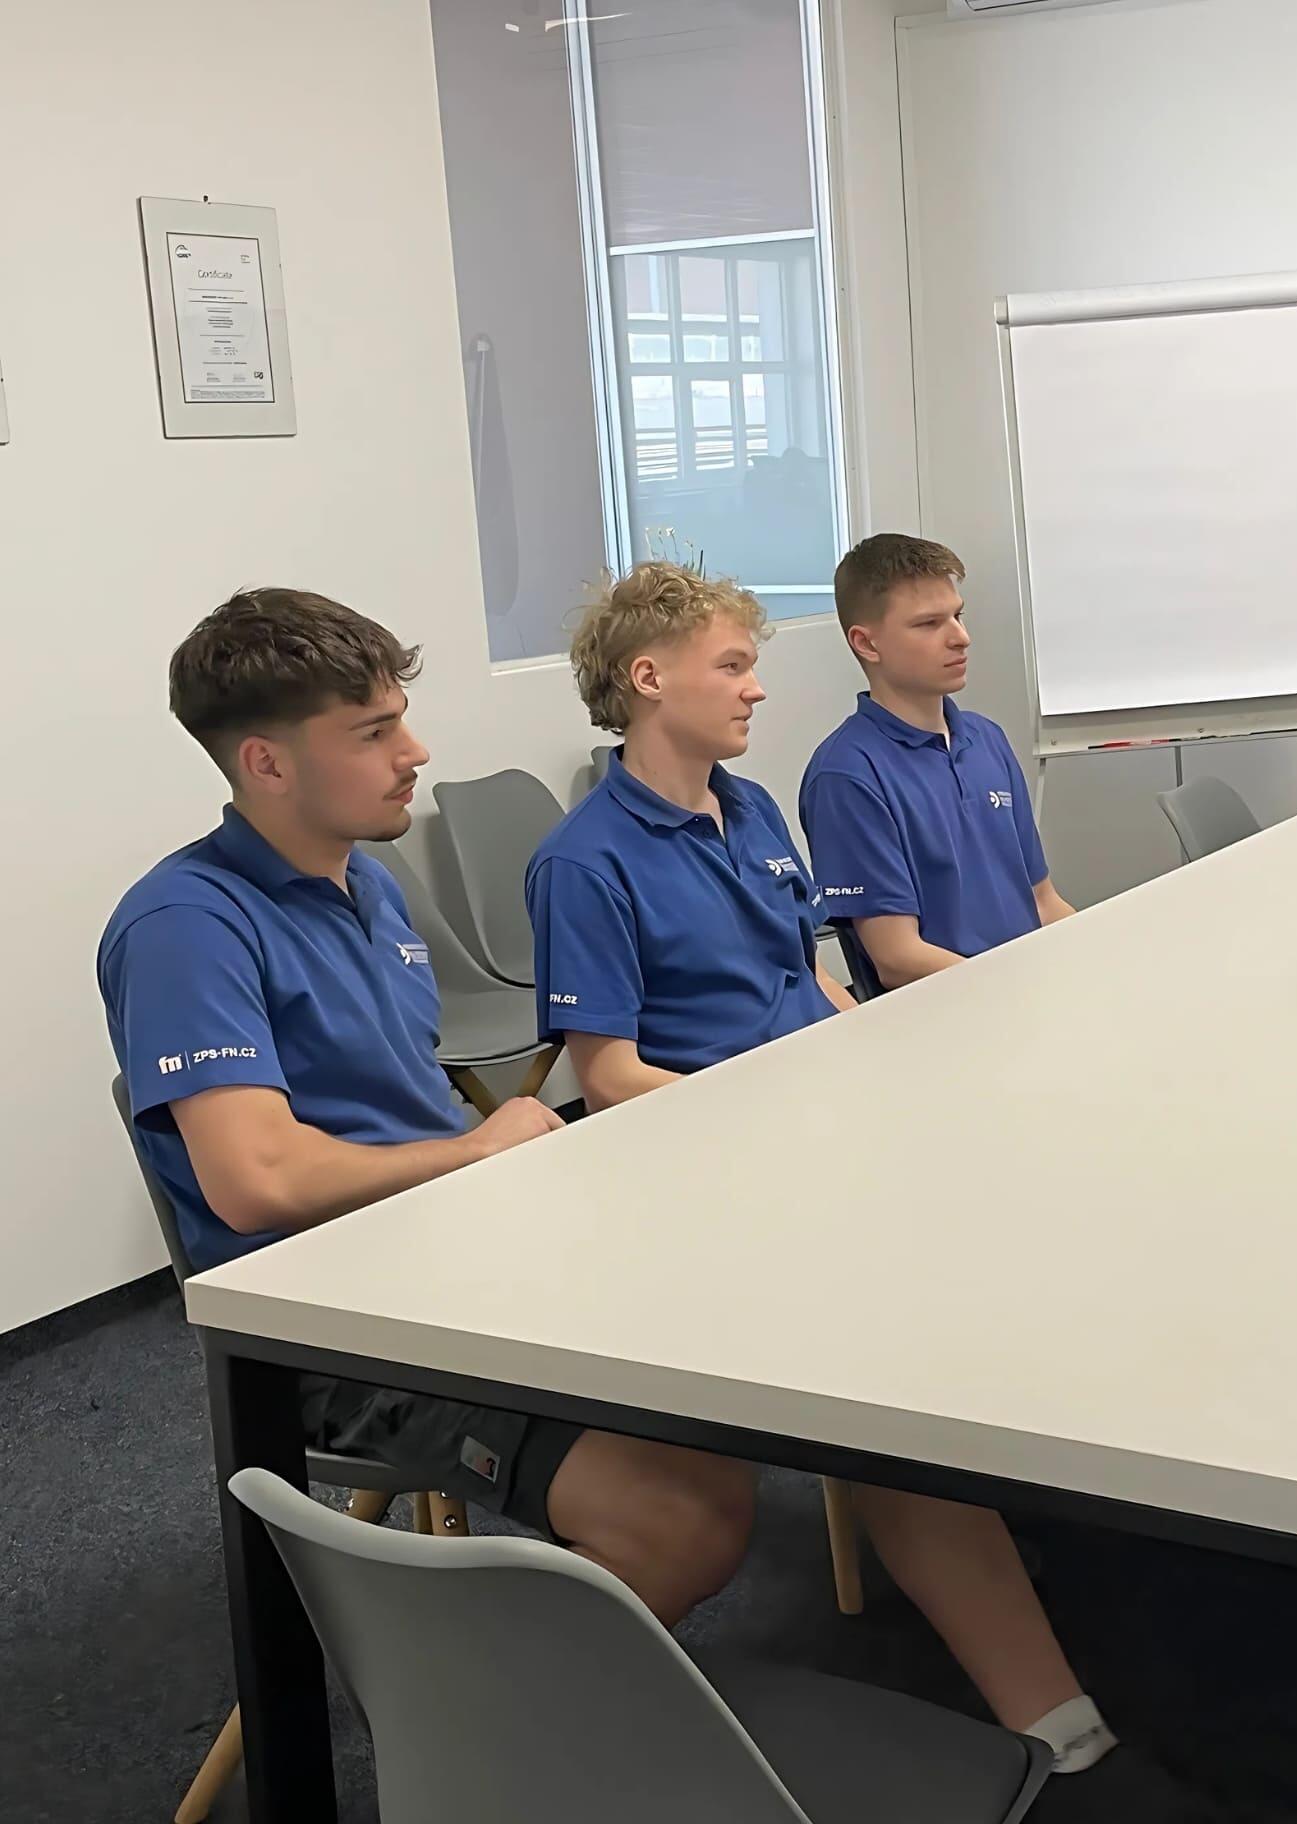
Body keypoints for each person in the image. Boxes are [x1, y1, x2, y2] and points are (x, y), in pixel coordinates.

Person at [526, 563, 1123, 1780]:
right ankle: (1055, 1719)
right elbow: (610, 1078)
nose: (756, 689)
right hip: (715, 1177)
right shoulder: (584, 862)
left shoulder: (748, 811)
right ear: (649, 680)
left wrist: (880, 1075)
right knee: (900, 1366)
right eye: (733, 667)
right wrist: (788, 1116)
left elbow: (813, 983)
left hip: (820, 1133)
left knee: (1044, 1210)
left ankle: (1059, 1519)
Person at [98, 589, 753, 1625]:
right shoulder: (186, 925)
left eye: (400, 719)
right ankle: (463, 1710)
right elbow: (254, 1179)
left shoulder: (370, 886)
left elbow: (399, 1117)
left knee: (757, 1326)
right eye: (372, 733)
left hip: (449, 1260)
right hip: (330, 1337)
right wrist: (476, 1152)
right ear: (266, 763)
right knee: (687, 1518)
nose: (415, 752)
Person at [800, 534, 1076, 991]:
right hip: (953, 1009)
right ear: (867, 643)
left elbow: (1043, 902)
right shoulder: (847, 775)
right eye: (929, 624)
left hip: (1028, 987)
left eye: (957, 616)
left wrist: (1091, 960)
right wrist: (1016, 988)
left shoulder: (986, 740)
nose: (960, 638)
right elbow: (898, 957)